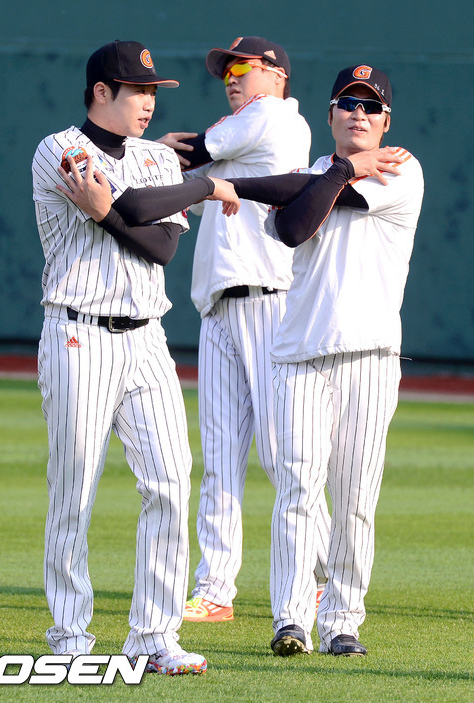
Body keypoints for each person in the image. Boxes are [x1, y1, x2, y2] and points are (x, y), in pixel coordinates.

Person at [31, 39, 240, 676]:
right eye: (137, 91)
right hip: (79, 334)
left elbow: (161, 247)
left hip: (148, 337)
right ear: (102, 92)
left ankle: (153, 637)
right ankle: (70, 634)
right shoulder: (58, 148)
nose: (148, 102)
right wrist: (200, 187)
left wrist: (113, 211)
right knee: (74, 488)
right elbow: (138, 211)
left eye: (153, 91)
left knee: (171, 481)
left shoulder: (156, 157)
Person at [226, 64, 424, 656]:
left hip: (370, 355)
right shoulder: (315, 173)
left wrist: (331, 177)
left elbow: (328, 200)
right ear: (330, 114)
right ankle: (291, 619)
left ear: (386, 121)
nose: (359, 113)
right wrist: (338, 170)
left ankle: (342, 621)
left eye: (370, 105)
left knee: (355, 497)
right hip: (299, 356)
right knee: (297, 490)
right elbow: (293, 228)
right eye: (348, 102)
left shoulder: (401, 168)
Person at [158, 36, 331, 623]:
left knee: (286, 453)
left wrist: (152, 150)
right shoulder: (242, 139)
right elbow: (192, 182)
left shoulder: (273, 116)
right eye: (224, 71)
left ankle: (319, 577)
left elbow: (192, 155)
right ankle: (215, 588)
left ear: (276, 74)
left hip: (269, 302)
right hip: (219, 307)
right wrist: (173, 163)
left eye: (240, 67)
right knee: (221, 455)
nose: (230, 77)